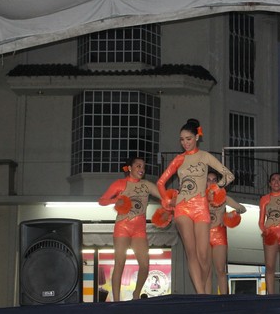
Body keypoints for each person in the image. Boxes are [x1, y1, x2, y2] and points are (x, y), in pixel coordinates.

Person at [157, 118, 235, 294]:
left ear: (197, 137)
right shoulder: (179, 159)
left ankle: (204, 292)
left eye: (189, 139)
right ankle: (200, 294)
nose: (185, 143)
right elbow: (161, 182)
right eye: (182, 139)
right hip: (182, 207)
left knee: (204, 256)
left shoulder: (205, 156)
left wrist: (215, 188)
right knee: (191, 252)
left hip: (201, 207)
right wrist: (167, 200)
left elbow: (229, 176)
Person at [98, 156, 161, 301]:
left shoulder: (147, 185)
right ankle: (116, 300)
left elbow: (163, 196)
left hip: (139, 229)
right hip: (123, 227)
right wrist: (116, 200)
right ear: (130, 168)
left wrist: (171, 202)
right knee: (119, 263)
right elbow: (102, 200)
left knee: (145, 265)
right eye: (138, 166)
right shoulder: (120, 183)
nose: (142, 169)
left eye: (143, 166)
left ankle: (136, 294)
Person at [206, 171, 246, 294]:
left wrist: (233, 214)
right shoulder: (200, 197)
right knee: (206, 271)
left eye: (214, 180)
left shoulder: (224, 197)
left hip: (219, 234)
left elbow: (242, 208)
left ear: (218, 183)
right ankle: (206, 300)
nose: (211, 183)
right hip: (203, 235)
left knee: (220, 270)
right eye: (208, 180)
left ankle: (224, 299)